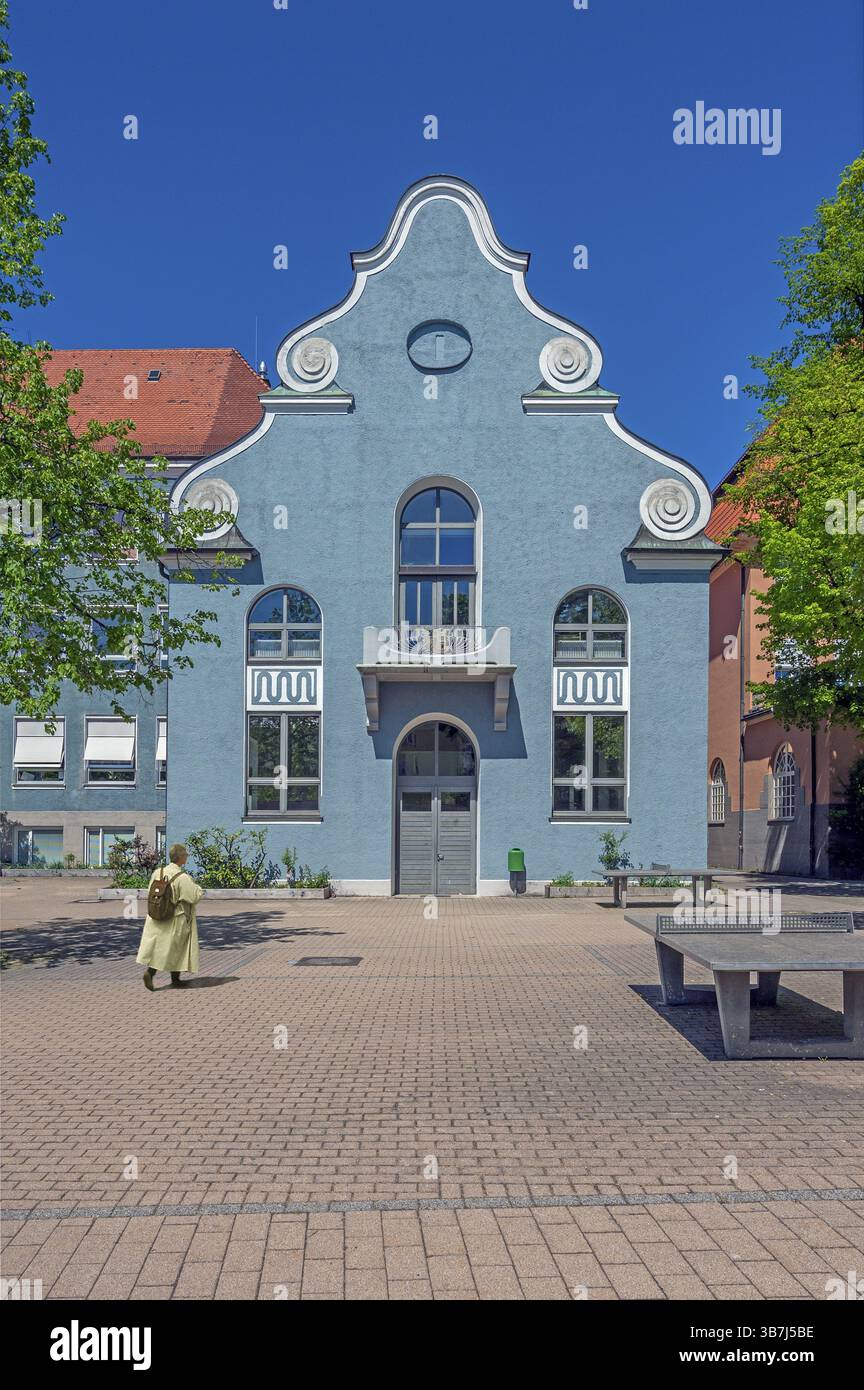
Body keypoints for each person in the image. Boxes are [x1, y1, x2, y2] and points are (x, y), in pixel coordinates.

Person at [137, 842, 204, 990]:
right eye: (185, 855)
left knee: (158, 948)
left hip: (157, 915)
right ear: (180, 857)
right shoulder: (182, 877)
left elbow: (151, 890)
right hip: (175, 917)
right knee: (176, 948)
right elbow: (194, 896)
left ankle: (151, 972)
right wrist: (199, 888)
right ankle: (175, 979)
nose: (186, 857)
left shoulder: (158, 872)